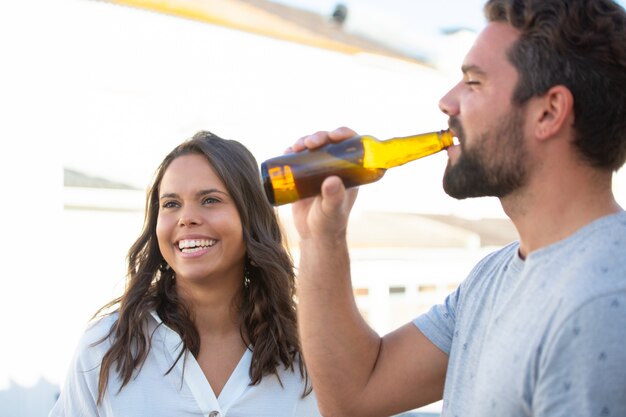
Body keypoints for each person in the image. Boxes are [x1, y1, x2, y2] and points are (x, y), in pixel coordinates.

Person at [288, 0, 626, 416]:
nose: (447, 102)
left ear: (549, 112)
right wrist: (321, 235)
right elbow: (357, 394)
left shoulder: (600, 304)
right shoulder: (494, 275)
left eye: (474, 82)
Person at [50, 132, 320, 416]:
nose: (186, 217)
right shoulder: (105, 347)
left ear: (251, 216)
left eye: (210, 200)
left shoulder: (308, 351)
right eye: (171, 204)